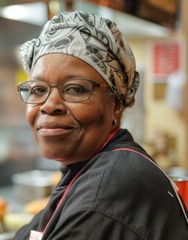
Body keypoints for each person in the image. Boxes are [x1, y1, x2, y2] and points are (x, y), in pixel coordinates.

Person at [14, 10, 188, 240]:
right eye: (38, 90)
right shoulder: (87, 170)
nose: (49, 105)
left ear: (116, 105)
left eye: (75, 89)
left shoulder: (106, 194)